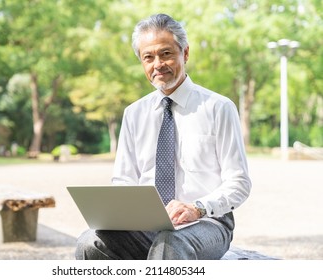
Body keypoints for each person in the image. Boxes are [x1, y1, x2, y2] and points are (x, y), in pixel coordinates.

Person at [75, 13, 251, 260]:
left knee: (170, 243)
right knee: (89, 242)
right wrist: (121, 212)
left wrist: (197, 208)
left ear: (185, 53)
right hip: (146, 226)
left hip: (208, 223)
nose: (158, 64)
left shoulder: (218, 108)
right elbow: (124, 180)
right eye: (148, 57)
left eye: (166, 53)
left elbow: (239, 182)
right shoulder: (134, 113)